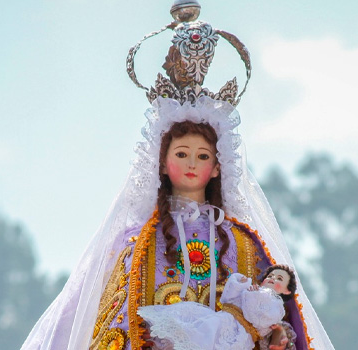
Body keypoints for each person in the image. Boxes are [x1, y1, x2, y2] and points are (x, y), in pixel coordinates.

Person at [20, 1, 333, 349]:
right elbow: (118, 328)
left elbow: (275, 323)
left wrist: (273, 335)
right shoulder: (136, 245)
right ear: (161, 161)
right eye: (181, 154)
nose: (191, 164)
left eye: (202, 156)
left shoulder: (243, 244)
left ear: (217, 167)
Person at [137, 265, 301, 350]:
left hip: (239, 334)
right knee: (193, 327)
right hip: (224, 318)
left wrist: (253, 295)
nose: (272, 278)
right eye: (270, 276)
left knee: (207, 338)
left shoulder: (277, 307)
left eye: (279, 278)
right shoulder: (253, 290)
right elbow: (227, 300)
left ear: (286, 290)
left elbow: (255, 316)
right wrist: (238, 284)